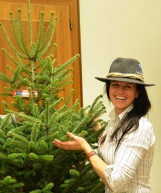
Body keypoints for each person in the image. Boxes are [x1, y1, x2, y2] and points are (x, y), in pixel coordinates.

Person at [53, 57, 155, 193]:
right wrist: (97, 127)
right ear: (108, 88)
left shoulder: (139, 127)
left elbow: (116, 183)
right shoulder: (117, 120)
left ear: (137, 92)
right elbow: (113, 151)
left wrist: (86, 147)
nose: (120, 91)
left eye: (128, 87)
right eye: (115, 85)